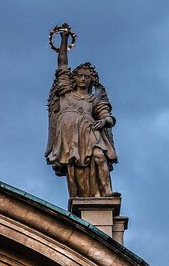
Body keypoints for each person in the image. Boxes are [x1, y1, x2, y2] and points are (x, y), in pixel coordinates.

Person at [45, 27, 117, 198]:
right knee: (75, 168)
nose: (83, 78)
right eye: (80, 76)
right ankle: (82, 196)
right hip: (70, 135)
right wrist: (64, 40)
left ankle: (107, 192)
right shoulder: (65, 92)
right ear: (74, 78)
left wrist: (104, 121)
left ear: (91, 80)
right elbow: (62, 65)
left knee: (99, 156)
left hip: (89, 131)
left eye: (87, 76)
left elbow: (107, 116)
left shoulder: (93, 99)